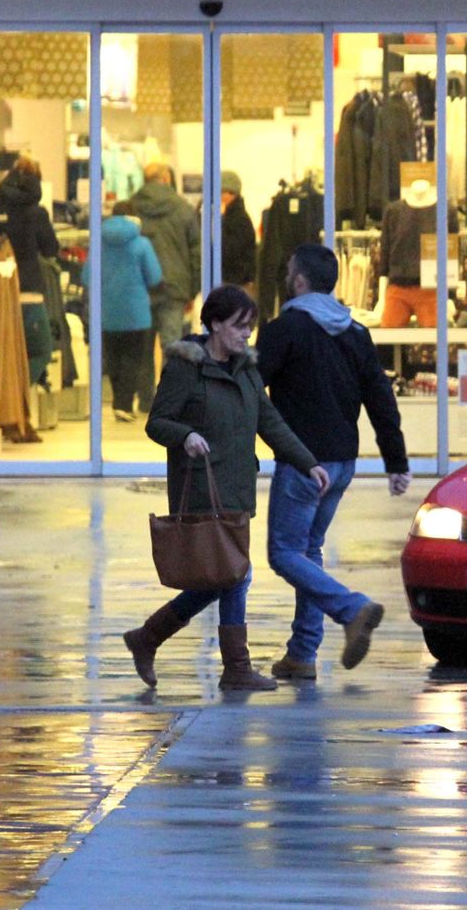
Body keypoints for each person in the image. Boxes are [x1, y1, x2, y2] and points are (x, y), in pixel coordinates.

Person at [123, 284, 330, 692]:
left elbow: (270, 423)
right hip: (200, 487)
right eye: (239, 326)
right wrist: (185, 436)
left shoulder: (247, 370)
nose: (246, 334)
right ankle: (235, 667)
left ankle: (148, 638)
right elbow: (156, 422)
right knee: (234, 574)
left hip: (236, 487)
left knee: (224, 576)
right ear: (215, 323)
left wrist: (307, 462)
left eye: (250, 327)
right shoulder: (186, 367)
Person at [255, 244, 410, 680]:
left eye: (288, 270)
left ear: (299, 280)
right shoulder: (355, 332)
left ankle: (352, 608)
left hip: (304, 464)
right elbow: (381, 397)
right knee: (307, 552)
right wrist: (396, 461)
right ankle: (302, 655)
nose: (286, 276)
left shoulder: (284, 329)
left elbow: (249, 391)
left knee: (284, 553)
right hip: (343, 462)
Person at [91, 201, 162, 421]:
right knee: (133, 357)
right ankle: (124, 403)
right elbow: (155, 277)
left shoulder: (98, 243)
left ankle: (118, 402)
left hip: (106, 310)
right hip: (136, 311)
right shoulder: (142, 244)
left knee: (112, 357)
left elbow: (87, 277)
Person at [0, 156, 58, 384]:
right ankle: (17, 392)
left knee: (6, 354)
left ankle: (5, 398)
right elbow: (51, 248)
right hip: (29, 291)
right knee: (41, 351)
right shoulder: (37, 213)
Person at [130, 162, 201, 349]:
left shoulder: (131, 207)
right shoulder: (184, 208)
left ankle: (145, 379)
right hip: (175, 287)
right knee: (172, 346)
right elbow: (196, 252)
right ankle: (171, 379)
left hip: (140, 287)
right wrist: (192, 290)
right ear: (166, 179)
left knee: (141, 351)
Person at [220, 170, 257, 298]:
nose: (219, 196)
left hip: (236, 281)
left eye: (222, 192)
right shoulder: (234, 215)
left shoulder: (237, 218)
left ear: (231, 193)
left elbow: (232, 249)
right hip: (238, 280)